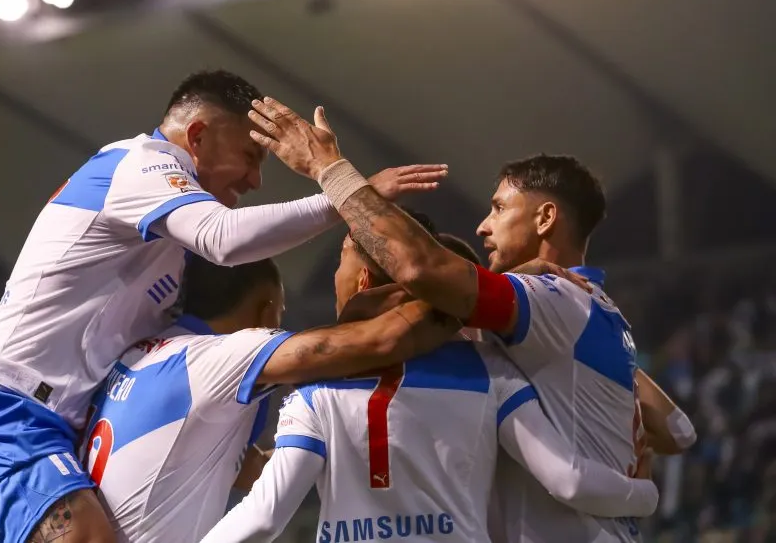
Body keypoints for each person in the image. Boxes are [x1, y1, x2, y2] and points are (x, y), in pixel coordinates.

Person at [0, 72, 447, 543]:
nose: (255, 180)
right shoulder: (137, 164)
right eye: (252, 156)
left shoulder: (170, 263)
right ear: (197, 136)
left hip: (65, 422)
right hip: (0, 416)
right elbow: (222, 239)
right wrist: (344, 190)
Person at [242, 97, 695, 542]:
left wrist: (331, 170)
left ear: (545, 218)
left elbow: (421, 269)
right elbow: (679, 431)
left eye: (499, 208)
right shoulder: (599, 314)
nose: (482, 226)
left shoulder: (548, 299)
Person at [199, 223, 660, 543]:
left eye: (341, 259)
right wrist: (645, 493)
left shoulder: (315, 391)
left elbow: (262, 518)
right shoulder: (491, 373)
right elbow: (569, 481)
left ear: (362, 280)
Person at [80, 243, 461, 543]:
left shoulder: (136, 357)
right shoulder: (216, 358)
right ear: (265, 313)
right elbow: (375, 342)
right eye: (280, 311)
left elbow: (242, 470)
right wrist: (461, 291)